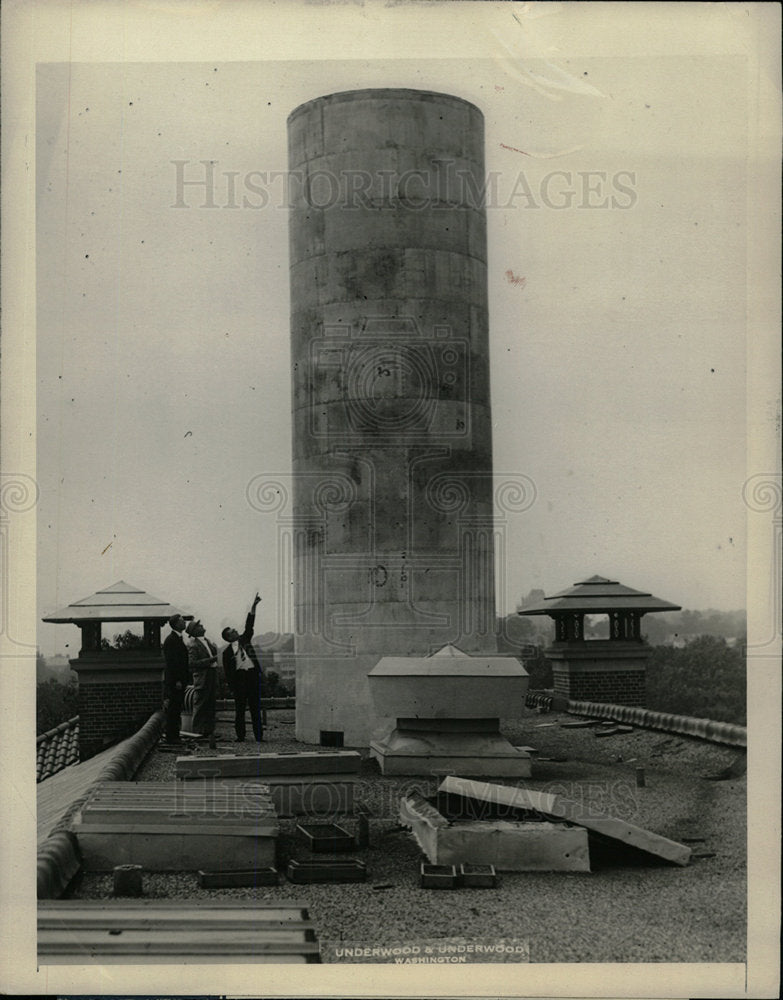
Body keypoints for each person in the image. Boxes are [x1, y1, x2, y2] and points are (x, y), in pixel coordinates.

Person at [222, 593, 263, 743]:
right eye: (232, 632)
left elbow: (249, 625)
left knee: (255, 707)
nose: (235, 631)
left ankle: (259, 737)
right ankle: (241, 736)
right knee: (240, 710)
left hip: (252, 675)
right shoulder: (227, 652)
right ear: (228, 637)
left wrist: (253, 607)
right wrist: (232, 687)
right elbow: (228, 672)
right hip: (239, 680)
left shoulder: (245, 639)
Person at [186, 618, 219, 739]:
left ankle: (209, 732)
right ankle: (197, 733)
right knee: (200, 706)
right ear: (195, 631)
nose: (203, 626)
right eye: (199, 626)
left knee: (211, 705)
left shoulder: (208, 642)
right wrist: (211, 660)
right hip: (202, 678)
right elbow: (192, 663)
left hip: (211, 676)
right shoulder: (193, 645)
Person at [162, 613, 189, 744]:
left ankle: (174, 735)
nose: (184, 623)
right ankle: (172, 736)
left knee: (176, 707)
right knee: (174, 708)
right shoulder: (171, 640)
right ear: (176, 624)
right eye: (182, 621)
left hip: (179, 680)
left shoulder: (177, 639)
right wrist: (177, 680)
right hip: (175, 681)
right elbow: (172, 663)